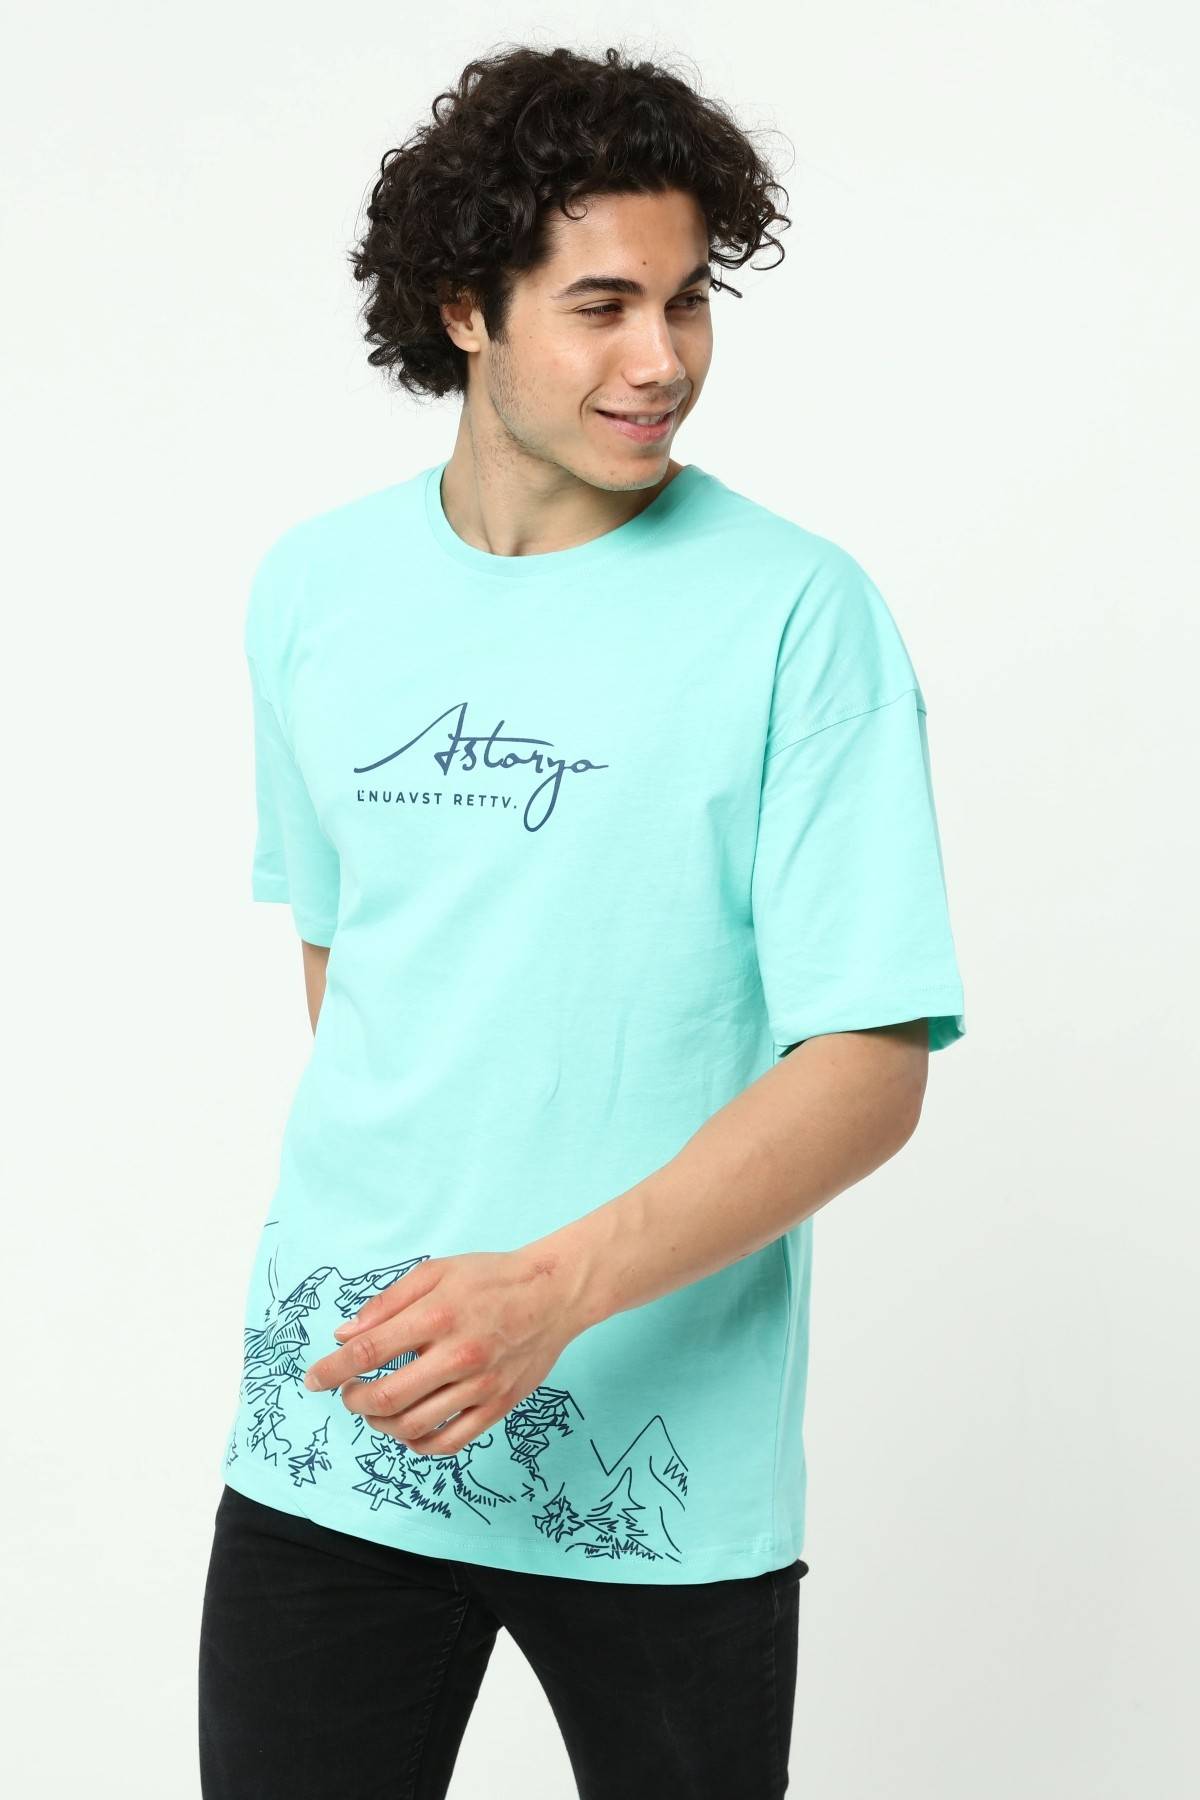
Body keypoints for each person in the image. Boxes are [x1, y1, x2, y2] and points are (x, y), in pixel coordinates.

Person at [197, 40, 966, 1800]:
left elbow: (869, 1066)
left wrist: (552, 1292)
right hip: (339, 1425)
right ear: (466, 308)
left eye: (688, 301)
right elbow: (353, 965)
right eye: (603, 304)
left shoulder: (798, 614)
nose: (663, 357)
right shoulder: (316, 589)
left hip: (657, 1466)